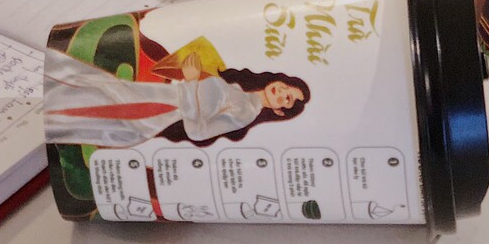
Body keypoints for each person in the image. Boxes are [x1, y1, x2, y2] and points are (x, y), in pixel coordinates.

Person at [43, 46, 310, 147]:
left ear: (279, 111)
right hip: (157, 93)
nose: (282, 93)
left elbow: (197, 132)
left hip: (157, 111)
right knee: (94, 91)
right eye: (286, 87)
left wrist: (192, 80)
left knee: (94, 103)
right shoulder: (239, 89)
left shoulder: (245, 113)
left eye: (287, 100)